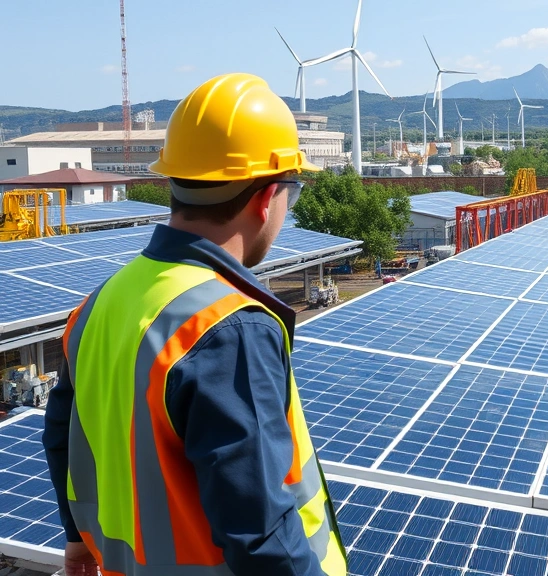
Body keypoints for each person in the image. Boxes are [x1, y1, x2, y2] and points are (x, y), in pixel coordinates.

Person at [42, 73, 347, 576]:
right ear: (267, 197)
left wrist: (76, 538)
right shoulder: (228, 327)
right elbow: (260, 529)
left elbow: (62, 435)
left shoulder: (100, 303)